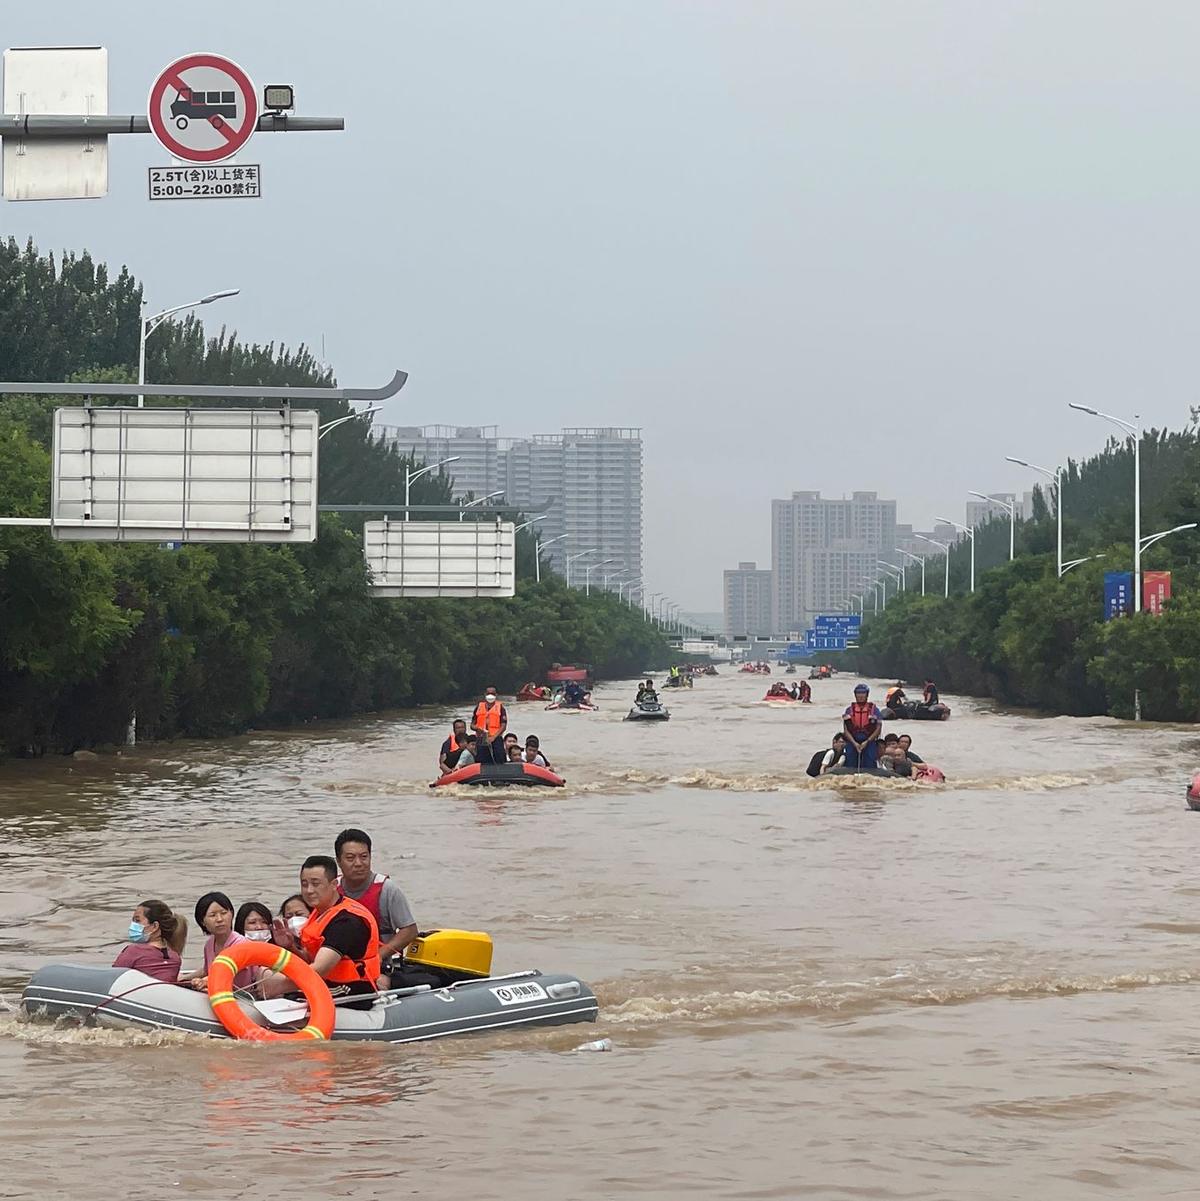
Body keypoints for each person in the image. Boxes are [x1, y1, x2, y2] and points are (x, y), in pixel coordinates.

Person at [263, 855, 381, 1010]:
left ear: (333, 884)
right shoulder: (319, 914)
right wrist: (291, 946)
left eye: (316, 884)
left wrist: (280, 986)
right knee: (265, 974)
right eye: (304, 884)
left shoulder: (347, 922)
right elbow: (309, 958)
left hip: (350, 991)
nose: (309, 891)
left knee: (286, 991)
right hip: (325, 983)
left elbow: (319, 968)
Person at [333, 829, 417, 989]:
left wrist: (378, 956)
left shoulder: (387, 889)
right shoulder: (331, 889)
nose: (358, 863)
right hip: (337, 967)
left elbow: (410, 930)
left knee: (379, 984)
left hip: (378, 969)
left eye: (363, 857)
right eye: (350, 858)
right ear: (338, 861)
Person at [189, 891, 253, 993]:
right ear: (202, 921)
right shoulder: (209, 944)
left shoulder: (240, 944)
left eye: (224, 913)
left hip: (241, 998)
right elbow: (206, 970)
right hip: (217, 994)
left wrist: (205, 981)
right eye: (212, 915)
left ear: (231, 914)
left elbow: (228, 972)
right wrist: (184, 978)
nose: (219, 919)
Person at [112, 899, 188, 984]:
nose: (133, 925)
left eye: (137, 920)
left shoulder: (134, 951)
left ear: (155, 926)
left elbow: (114, 978)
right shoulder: (174, 957)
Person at [842, 684, 882, 770]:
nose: (860, 695)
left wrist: (867, 742)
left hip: (869, 740)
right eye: (858, 693)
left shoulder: (874, 710)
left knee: (870, 762)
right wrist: (854, 743)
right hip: (853, 741)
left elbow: (878, 729)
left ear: (867, 695)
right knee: (850, 762)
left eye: (863, 693)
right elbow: (846, 730)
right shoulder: (849, 710)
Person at [472, 686, 508, 765]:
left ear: (496, 695)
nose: (490, 695)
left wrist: (493, 737)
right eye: (488, 693)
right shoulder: (478, 707)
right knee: (481, 761)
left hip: (496, 739)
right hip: (481, 738)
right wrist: (478, 729)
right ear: (485, 694)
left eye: (492, 693)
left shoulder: (501, 708)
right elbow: (472, 724)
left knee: (500, 760)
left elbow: (503, 725)